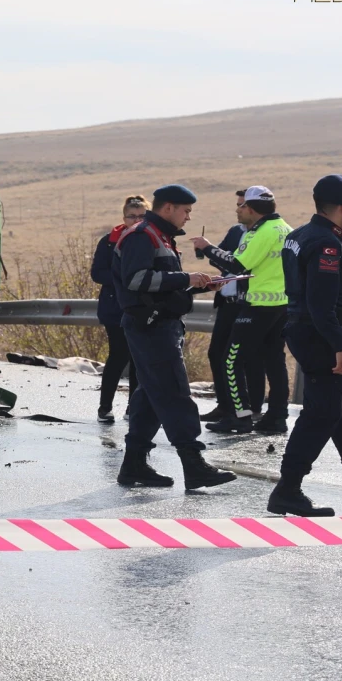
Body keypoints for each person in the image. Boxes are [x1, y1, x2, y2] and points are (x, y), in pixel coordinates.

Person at [268, 175, 342, 516]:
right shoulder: (326, 245)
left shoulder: (301, 235)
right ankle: (287, 489)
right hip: (319, 336)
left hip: (303, 331)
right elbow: (320, 306)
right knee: (321, 415)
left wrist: (336, 239)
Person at [111, 184, 237, 489]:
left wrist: (199, 285)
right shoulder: (143, 235)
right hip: (151, 328)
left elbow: (162, 284)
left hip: (160, 326)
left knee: (150, 398)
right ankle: (194, 465)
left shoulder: (161, 236)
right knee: (175, 394)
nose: (188, 217)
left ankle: (134, 465)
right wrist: (186, 278)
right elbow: (137, 279)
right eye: (186, 211)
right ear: (168, 207)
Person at [191, 186, 292, 434]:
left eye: (240, 206)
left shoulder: (260, 232)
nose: (237, 210)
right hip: (280, 306)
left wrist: (206, 247)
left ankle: (240, 416)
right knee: (275, 360)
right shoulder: (285, 228)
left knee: (231, 360)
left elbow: (236, 265)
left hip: (257, 306)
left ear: (251, 208)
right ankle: (277, 417)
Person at [91, 195, 147, 423]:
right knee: (118, 355)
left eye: (141, 216)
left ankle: (132, 408)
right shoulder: (108, 241)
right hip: (114, 308)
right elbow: (97, 273)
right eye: (131, 216)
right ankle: (105, 407)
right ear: (123, 217)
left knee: (137, 358)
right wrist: (125, 278)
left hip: (141, 308)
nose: (135, 220)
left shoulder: (150, 239)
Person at [199, 201, 247, 423]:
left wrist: (212, 250)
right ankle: (225, 406)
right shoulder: (236, 231)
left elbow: (242, 265)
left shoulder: (264, 234)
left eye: (242, 204)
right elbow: (219, 257)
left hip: (246, 304)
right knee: (216, 354)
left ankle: (244, 412)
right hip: (226, 301)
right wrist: (207, 251)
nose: (237, 208)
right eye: (236, 204)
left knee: (237, 359)